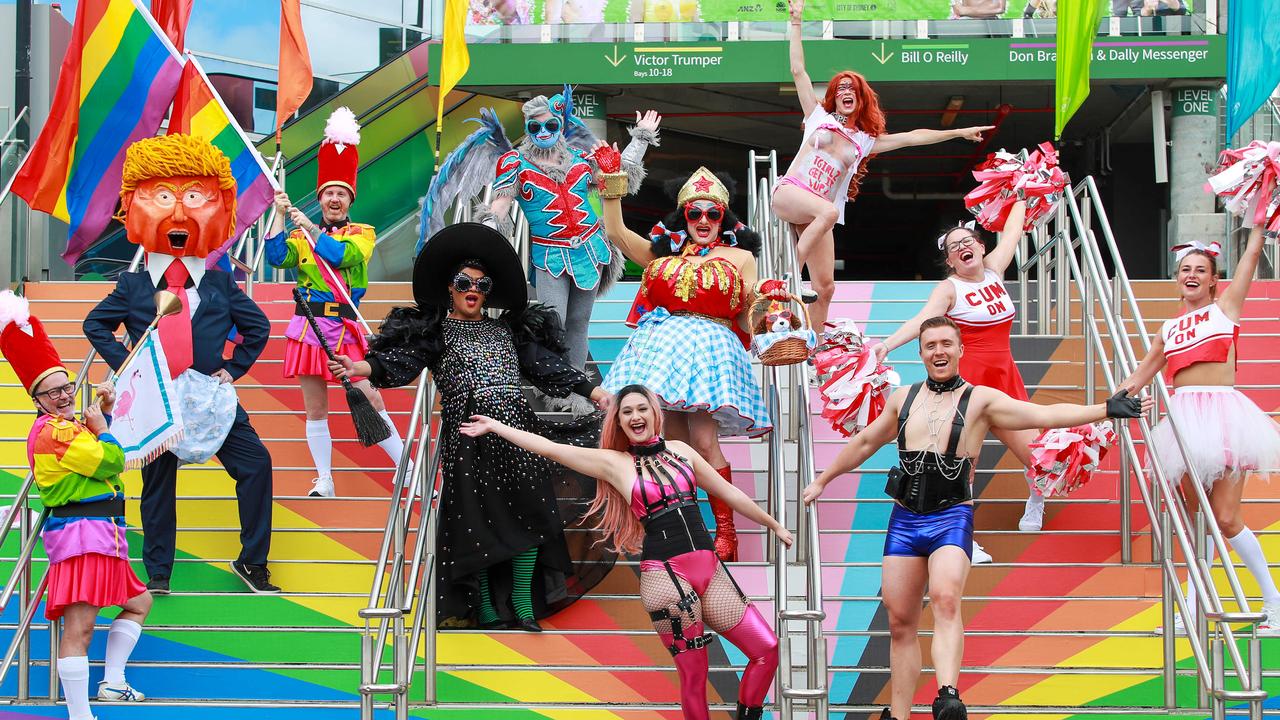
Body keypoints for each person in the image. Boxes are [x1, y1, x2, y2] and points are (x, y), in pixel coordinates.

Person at [803, 316, 1146, 720]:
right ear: (921, 352)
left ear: (961, 350)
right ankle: (897, 715)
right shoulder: (903, 398)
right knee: (900, 622)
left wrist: (1105, 408)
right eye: (930, 345)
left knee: (947, 598)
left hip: (951, 516)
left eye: (947, 343)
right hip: (905, 519)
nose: (939, 352)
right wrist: (822, 480)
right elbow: (863, 441)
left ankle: (948, 696)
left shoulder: (981, 400)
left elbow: (1042, 415)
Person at [329, 222, 612, 630]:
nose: (472, 288)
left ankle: (523, 604)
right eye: (463, 281)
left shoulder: (507, 331)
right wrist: (361, 367)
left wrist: (592, 390)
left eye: (481, 282)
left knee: (533, 513)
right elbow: (400, 361)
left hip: (518, 432)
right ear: (450, 287)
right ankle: (485, 607)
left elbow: (546, 367)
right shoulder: (436, 333)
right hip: (467, 441)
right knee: (475, 523)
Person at [459, 384, 792, 720]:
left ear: (655, 413)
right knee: (695, 675)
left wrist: (774, 525)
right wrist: (497, 427)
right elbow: (550, 449)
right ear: (618, 422)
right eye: (627, 412)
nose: (635, 416)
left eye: (641, 408)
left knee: (767, 649)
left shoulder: (682, 451)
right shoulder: (615, 464)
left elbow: (729, 493)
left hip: (710, 571)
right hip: (666, 575)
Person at [84, 134, 277, 595]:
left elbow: (259, 327)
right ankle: (158, 574)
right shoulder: (132, 285)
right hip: (157, 398)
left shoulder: (218, 282)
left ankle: (253, 563)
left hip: (210, 396)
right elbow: (96, 326)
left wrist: (233, 368)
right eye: (166, 198)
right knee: (157, 487)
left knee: (257, 465)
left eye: (192, 198)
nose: (178, 212)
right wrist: (130, 365)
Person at [595, 150, 773, 562]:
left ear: (724, 219)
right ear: (685, 217)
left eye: (714, 214)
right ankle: (682, 530)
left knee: (704, 443)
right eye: (696, 214)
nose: (705, 221)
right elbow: (617, 233)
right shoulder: (666, 253)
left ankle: (726, 532)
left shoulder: (741, 258)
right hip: (662, 354)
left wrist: (771, 305)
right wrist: (611, 183)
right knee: (667, 444)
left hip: (709, 352)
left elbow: (749, 314)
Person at [774, 0, 994, 332]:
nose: (847, 92)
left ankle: (812, 355)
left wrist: (958, 131)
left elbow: (913, 137)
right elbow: (798, 70)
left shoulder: (863, 142)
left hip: (817, 214)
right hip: (791, 194)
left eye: (853, 90)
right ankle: (785, 279)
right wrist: (795, 22)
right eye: (841, 89)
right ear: (833, 97)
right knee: (829, 214)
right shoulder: (816, 116)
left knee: (826, 288)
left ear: (860, 100)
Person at [1119, 226, 1280, 634]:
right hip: (1182, 421)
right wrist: (1110, 409)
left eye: (1200, 269)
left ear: (1213, 278)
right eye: (1184, 269)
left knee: (1225, 518)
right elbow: (1135, 379)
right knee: (1195, 524)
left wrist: (1258, 224)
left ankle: (1273, 601)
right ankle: (1194, 605)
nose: (1190, 275)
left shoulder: (1225, 308)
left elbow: (1248, 262)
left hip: (1224, 418)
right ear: (1177, 278)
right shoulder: (1167, 330)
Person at [0, 292, 152, 719]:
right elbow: (111, 459)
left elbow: (102, 458)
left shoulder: (69, 426)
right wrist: (101, 429)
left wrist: (98, 416)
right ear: (37, 401)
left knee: (139, 602)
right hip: (82, 536)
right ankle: (80, 714)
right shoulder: (53, 433)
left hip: (103, 535)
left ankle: (113, 683)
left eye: (66, 386)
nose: (64, 395)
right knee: (81, 628)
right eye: (52, 392)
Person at [874, 202, 1038, 561]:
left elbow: (1012, 230)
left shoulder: (995, 270)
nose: (962, 247)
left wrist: (1023, 192)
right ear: (949, 260)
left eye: (968, 241)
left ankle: (1036, 497)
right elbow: (923, 321)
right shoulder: (949, 289)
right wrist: (885, 345)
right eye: (953, 247)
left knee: (1036, 455)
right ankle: (964, 538)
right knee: (965, 464)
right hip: (970, 385)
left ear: (980, 247)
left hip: (1004, 376)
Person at [481, 96, 660, 406]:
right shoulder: (514, 162)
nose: (544, 131)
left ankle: (576, 387)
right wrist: (489, 225)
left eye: (550, 124)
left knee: (579, 320)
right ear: (527, 128)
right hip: (550, 255)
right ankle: (550, 383)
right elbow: (500, 202)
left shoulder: (579, 158)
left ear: (560, 126)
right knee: (553, 321)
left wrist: (640, 138)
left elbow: (618, 180)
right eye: (535, 126)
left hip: (591, 250)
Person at [265, 107, 406, 498]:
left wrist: (311, 228)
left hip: (344, 328)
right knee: (315, 408)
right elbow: (277, 258)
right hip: (308, 330)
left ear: (349, 199)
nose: (334, 199)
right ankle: (324, 479)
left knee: (369, 396)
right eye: (328, 193)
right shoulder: (301, 237)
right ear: (321, 197)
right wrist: (279, 217)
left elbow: (343, 256)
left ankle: (406, 467)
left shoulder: (363, 232)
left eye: (341, 194)